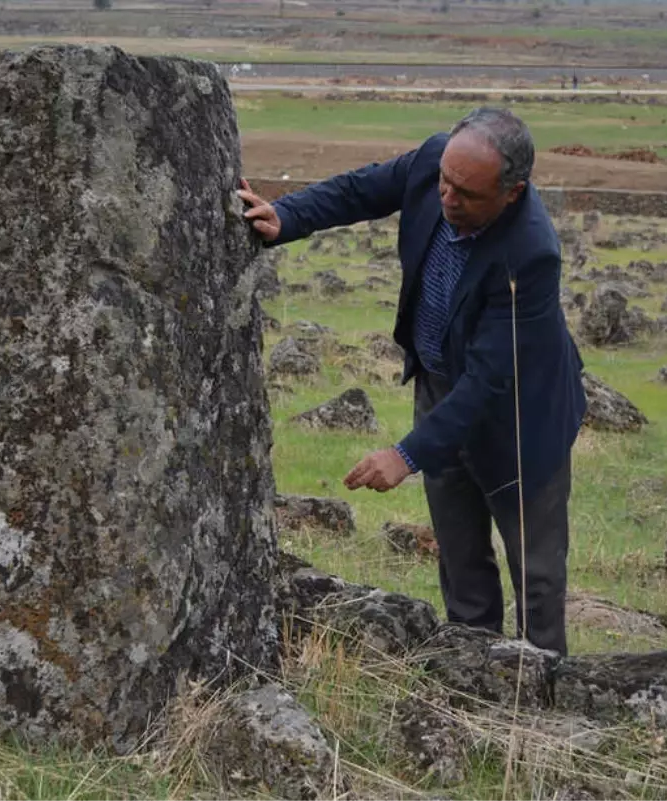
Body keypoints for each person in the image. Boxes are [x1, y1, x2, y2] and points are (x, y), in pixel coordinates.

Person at [237, 107, 586, 655]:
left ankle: (540, 695)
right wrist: (287, 215)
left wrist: (406, 454)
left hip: (522, 420)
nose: (447, 197)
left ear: (511, 193)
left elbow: (491, 379)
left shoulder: (531, 255)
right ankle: (473, 673)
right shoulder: (434, 162)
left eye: (467, 194)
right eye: (445, 183)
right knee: (460, 553)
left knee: (536, 576)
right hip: (440, 392)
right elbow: (359, 191)